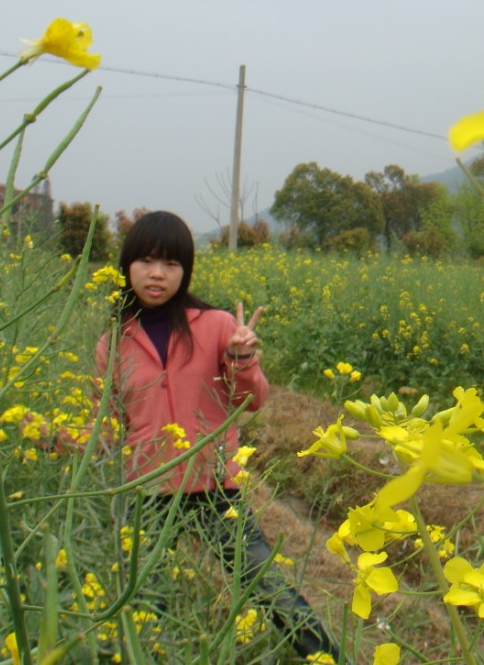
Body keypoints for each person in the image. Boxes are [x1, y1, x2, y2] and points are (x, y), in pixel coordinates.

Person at [97, 210, 339, 661]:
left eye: (171, 264)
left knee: (269, 588)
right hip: (146, 491)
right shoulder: (113, 339)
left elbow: (251, 403)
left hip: (214, 491)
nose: (157, 274)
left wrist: (243, 360)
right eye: (147, 261)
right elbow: (106, 427)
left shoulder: (216, 325)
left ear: (185, 271)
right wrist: (53, 438)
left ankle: (329, 658)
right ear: (127, 265)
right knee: (147, 602)